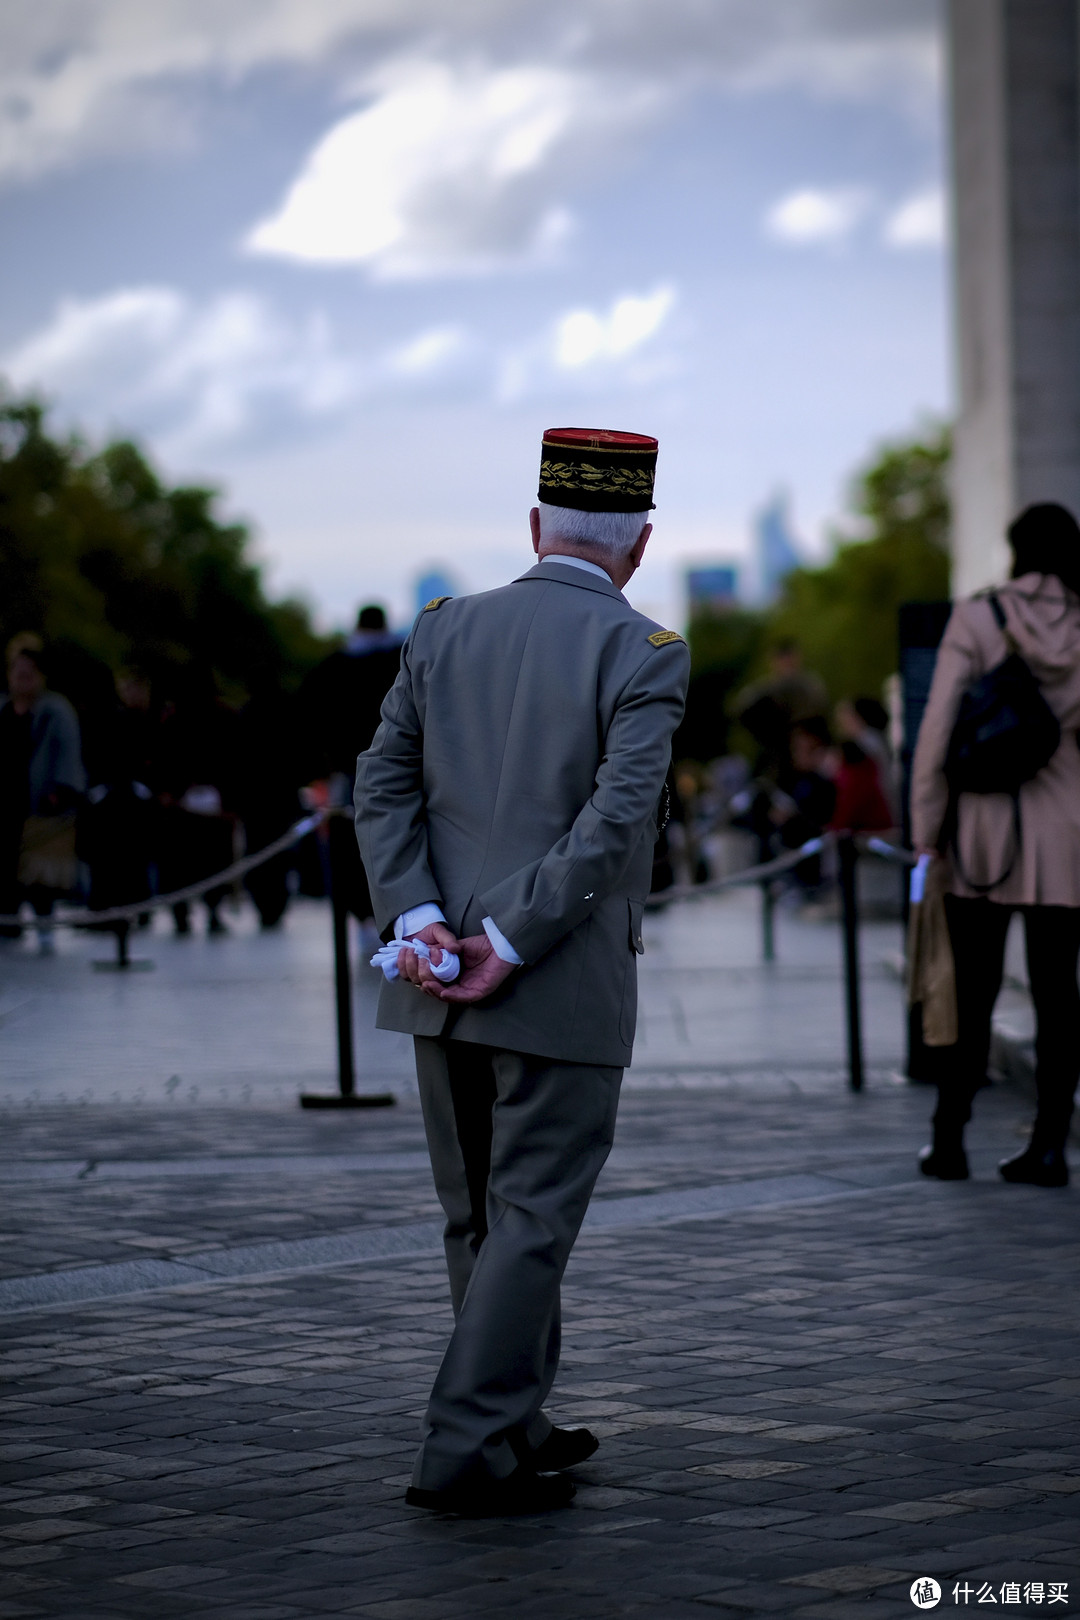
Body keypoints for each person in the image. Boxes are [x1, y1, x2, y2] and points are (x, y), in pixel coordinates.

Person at [355, 427, 689, 1516]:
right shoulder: (644, 653)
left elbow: (382, 785)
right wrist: (506, 943)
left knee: (480, 1220)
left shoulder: (444, 631)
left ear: (535, 529)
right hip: (553, 982)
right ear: (639, 547)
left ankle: (516, 1420)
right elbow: (613, 826)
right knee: (534, 1218)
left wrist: (424, 919)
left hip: (431, 971)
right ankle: (466, 1449)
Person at [911, 502, 1080, 1187]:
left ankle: (948, 1142)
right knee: (1058, 997)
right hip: (1066, 830)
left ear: (1014, 550)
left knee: (971, 990)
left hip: (984, 833)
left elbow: (937, 731)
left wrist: (927, 831)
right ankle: (1048, 1147)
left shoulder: (980, 616)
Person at [300, 605, 404, 939]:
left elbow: (310, 718)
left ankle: (361, 913)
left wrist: (321, 766)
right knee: (396, 836)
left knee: (352, 841)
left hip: (349, 768)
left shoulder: (333, 666)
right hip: (402, 764)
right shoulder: (401, 659)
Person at [0, 635, 85, 951]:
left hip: (40, 802)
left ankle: (44, 921)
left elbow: (67, 754)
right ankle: (7, 921)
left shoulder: (55, 710)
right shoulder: (3, 709)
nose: (23, 677)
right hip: (6, 802)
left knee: (41, 871)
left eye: (29, 671)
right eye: (18, 670)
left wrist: (61, 791)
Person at [734, 640, 828, 784]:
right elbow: (741, 708)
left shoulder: (809, 685)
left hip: (806, 746)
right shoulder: (766, 688)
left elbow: (818, 713)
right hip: (777, 750)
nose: (786, 663)